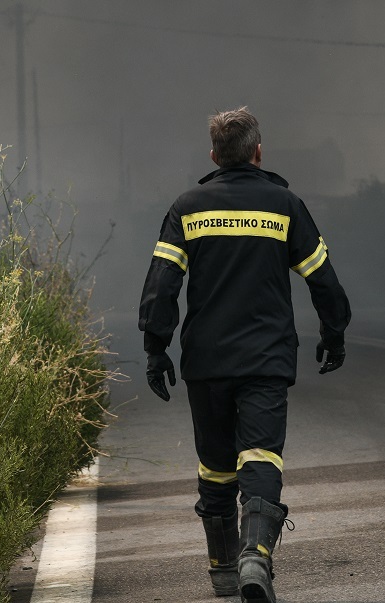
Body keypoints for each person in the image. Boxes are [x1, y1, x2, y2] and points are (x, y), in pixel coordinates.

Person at [139, 107, 352, 602]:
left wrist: (155, 348)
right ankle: (256, 556)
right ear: (258, 152)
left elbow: (162, 285)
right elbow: (322, 276)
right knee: (260, 457)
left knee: (215, 464)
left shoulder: (188, 206)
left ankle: (222, 570)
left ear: (214, 155)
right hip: (265, 360)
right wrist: (334, 330)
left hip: (207, 361)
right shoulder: (284, 206)